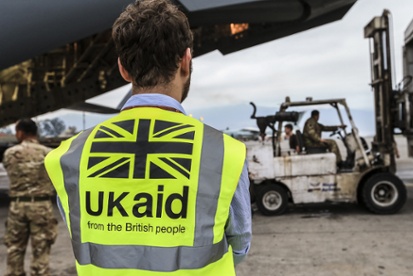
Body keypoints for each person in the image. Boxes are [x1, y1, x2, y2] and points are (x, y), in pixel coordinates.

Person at [44, 0, 252, 275]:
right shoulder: (224, 153)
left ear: (123, 69)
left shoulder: (70, 155)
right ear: (186, 62)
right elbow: (239, 243)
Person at [3, 118, 57, 276]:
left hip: (17, 207)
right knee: (41, 251)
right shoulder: (48, 154)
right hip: (41, 207)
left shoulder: (10, 153)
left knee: (15, 249)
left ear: (20, 132)